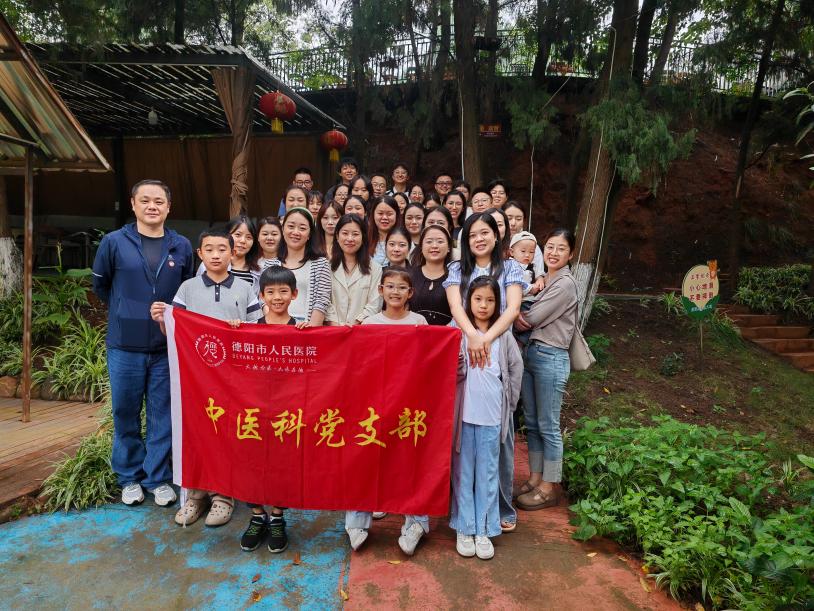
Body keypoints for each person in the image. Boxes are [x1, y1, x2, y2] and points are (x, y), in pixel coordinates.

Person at [150, 229, 264, 527]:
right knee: (197, 432)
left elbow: (259, 331)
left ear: (233, 253)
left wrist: (241, 330)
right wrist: (162, 319)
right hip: (195, 377)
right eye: (209, 249)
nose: (216, 255)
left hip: (232, 379)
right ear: (199, 253)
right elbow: (174, 330)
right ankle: (196, 495)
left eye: (222, 249)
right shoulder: (187, 288)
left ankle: (223, 496)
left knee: (226, 433)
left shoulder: (245, 288)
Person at [92, 179, 193, 507]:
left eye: (159, 201)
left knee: (163, 414)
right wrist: (128, 311)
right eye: (145, 200)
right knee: (125, 412)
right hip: (124, 346)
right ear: (133, 204)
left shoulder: (181, 246)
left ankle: (157, 477)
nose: (152, 206)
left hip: (166, 348)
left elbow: (187, 293)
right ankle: (129, 477)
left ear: (168, 207)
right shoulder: (114, 242)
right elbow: (102, 286)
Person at [444, 212, 526, 533]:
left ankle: (500, 508)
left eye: (484, 233)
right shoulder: (457, 269)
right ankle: (462, 512)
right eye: (472, 234)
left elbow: (513, 309)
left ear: (496, 235)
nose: (478, 239)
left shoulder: (511, 268)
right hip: (463, 348)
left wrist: (486, 338)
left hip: (498, 348)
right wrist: (472, 336)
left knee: (500, 437)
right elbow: (456, 308)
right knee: (461, 436)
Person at [346, 267, 428, 555]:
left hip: (409, 404)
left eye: (402, 287)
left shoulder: (419, 323)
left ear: (410, 293)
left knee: (411, 462)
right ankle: (356, 521)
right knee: (365, 459)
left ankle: (417, 522)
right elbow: (357, 365)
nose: (395, 292)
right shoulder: (369, 324)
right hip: (374, 405)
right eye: (390, 286)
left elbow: (428, 361)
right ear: (380, 290)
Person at [450, 276, 522, 560]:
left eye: (490, 300)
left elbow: (515, 370)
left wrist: (509, 406)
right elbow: (446, 367)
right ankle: (464, 527)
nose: (483, 305)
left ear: (498, 304)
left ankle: (484, 528)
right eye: (478, 299)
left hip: (492, 418)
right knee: (464, 473)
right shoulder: (457, 332)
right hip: (464, 418)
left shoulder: (503, 336)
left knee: (488, 473)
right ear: (468, 301)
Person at [240, 266, 308, 554]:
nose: (277, 297)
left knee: (283, 464)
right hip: (253, 409)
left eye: (283, 291)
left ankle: (278, 517)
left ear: (294, 294)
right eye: (270, 292)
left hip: (287, 411)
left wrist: (309, 334)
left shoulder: (302, 327)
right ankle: (257, 516)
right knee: (250, 463)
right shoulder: (250, 327)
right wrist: (233, 330)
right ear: (261, 295)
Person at [513, 229, 578, 511]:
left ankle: (549, 487)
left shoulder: (565, 284)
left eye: (561, 248)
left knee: (548, 425)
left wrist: (514, 312)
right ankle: (535, 478)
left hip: (550, 356)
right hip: (532, 355)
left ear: (570, 254)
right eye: (550, 246)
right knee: (532, 422)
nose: (553, 252)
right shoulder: (543, 280)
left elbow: (533, 318)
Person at [268, 208, 332, 326]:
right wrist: (272, 326)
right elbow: (264, 301)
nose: (296, 232)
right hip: (274, 329)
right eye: (291, 226)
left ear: (310, 234)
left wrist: (311, 330)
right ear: (283, 229)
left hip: (306, 329)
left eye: (302, 228)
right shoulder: (270, 264)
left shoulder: (321, 264)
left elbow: (321, 302)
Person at [325, 214, 382, 325]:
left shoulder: (375, 269)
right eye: (345, 233)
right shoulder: (326, 267)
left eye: (355, 234)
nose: (350, 239)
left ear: (363, 237)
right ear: (337, 236)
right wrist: (335, 325)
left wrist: (355, 324)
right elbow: (324, 301)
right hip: (332, 330)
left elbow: (375, 304)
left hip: (361, 330)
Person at [408, 225, 452, 326]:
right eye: (429, 241)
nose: (434, 246)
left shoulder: (456, 277)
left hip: (447, 333)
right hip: (414, 332)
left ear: (449, 247)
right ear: (421, 247)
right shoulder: (409, 275)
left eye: (440, 241)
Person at [509, 231, 543, 346]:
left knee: (532, 320)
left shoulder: (531, 266)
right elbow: (516, 282)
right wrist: (530, 288)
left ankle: (523, 342)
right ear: (512, 252)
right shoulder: (511, 265)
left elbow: (539, 275)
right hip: (517, 301)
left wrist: (539, 280)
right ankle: (519, 342)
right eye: (523, 251)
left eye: (531, 252)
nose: (527, 255)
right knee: (525, 321)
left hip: (528, 300)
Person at [503, 201, 545, 293]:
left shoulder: (532, 244)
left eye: (518, 219)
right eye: (509, 218)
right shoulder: (495, 242)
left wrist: (539, 280)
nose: (513, 223)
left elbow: (539, 273)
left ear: (524, 221)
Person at [223, 215, 261, 293]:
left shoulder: (258, 271)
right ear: (226, 235)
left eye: (249, 237)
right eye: (238, 235)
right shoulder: (210, 263)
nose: (243, 241)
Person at [368, 196, 400, 266]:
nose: (385, 217)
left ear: (396, 215)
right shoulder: (364, 239)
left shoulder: (404, 239)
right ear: (373, 214)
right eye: (380, 213)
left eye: (389, 214)